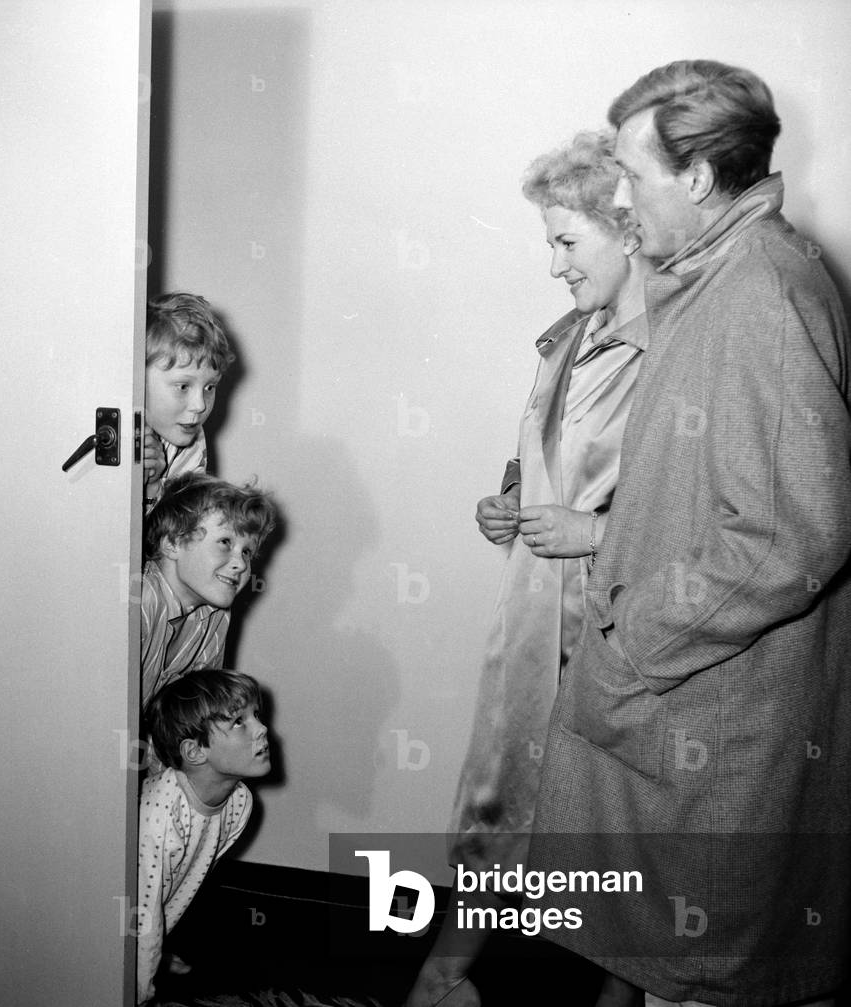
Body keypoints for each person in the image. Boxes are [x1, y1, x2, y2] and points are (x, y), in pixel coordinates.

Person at [529, 61, 851, 1007]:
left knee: (704, 973)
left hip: (717, 710)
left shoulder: (759, 291)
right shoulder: (717, 279)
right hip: (694, 700)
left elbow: (794, 533)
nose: (623, 199)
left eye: (633, 177)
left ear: (700, 179)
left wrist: (636, 640)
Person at [406, 130, 655, 1007]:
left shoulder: (675, 349)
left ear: (626, 231)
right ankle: (442, 980)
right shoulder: (565, 337)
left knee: (620, 831)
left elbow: (705, 508)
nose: (552, 264)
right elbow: (551, 457)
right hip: (532, 620)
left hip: (618, 629)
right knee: (500, 801)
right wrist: (505, 499)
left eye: (565, 242)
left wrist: (593, 531)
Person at [136, 670, 272, 1006]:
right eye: (240, 721)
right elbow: (142, 910)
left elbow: (180, 883)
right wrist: (140, 987)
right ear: (195, 752)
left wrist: (158, 954)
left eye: (256, 715)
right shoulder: (161, 813)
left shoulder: (240, 802)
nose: (262, 729)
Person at [141, 472, 277, 710]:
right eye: (225, 542)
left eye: (246, 551)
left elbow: (191, 719)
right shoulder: (142, 601)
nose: (242, 564)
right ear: (172, 543)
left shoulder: (215, 615)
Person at [143, 292, 235, 511]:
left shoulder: (190, 437)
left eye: (210, 387)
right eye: (183, 386)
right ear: (137, 380)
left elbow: (180, 536)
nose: (200, 405)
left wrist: (152, 490)